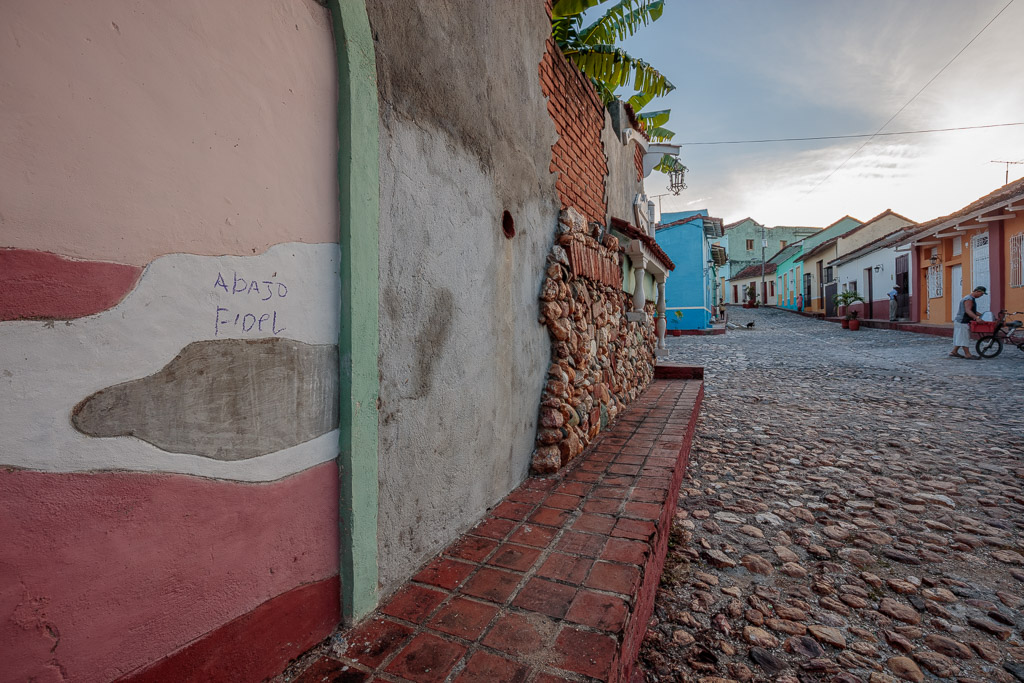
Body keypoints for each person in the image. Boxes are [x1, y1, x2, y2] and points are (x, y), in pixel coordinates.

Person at [950, 286, 986, 359]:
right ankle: (967, 354)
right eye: (981, 294)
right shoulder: (969, 299)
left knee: (960, 336)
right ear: (977, 291)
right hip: (962, 321)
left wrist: (982, 315)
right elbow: (968, 310)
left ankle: (954, 351)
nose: (981, 296)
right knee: (964, 337)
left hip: (960, 320)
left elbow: (972, 311)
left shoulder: (969, 298)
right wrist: (976, 318)